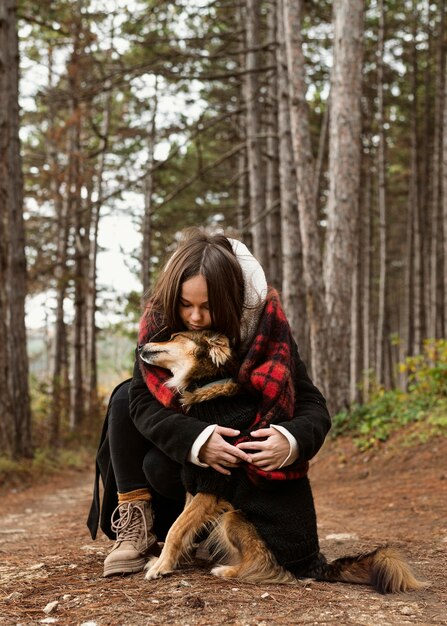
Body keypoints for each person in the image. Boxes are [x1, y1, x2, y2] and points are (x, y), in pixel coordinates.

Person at [87, 228, 331, 578]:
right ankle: (136, 522)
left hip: (241, 482)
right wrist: (198, 440)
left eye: (208, 306)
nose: (196, 318)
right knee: (126, 395)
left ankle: (208, 536)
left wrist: (290, 439)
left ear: (232, 298)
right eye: (186, 305)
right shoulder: (160, 318)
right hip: (184, 476)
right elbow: (141, 400)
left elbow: (312, 403)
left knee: (174, 467)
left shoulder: (264, 325)